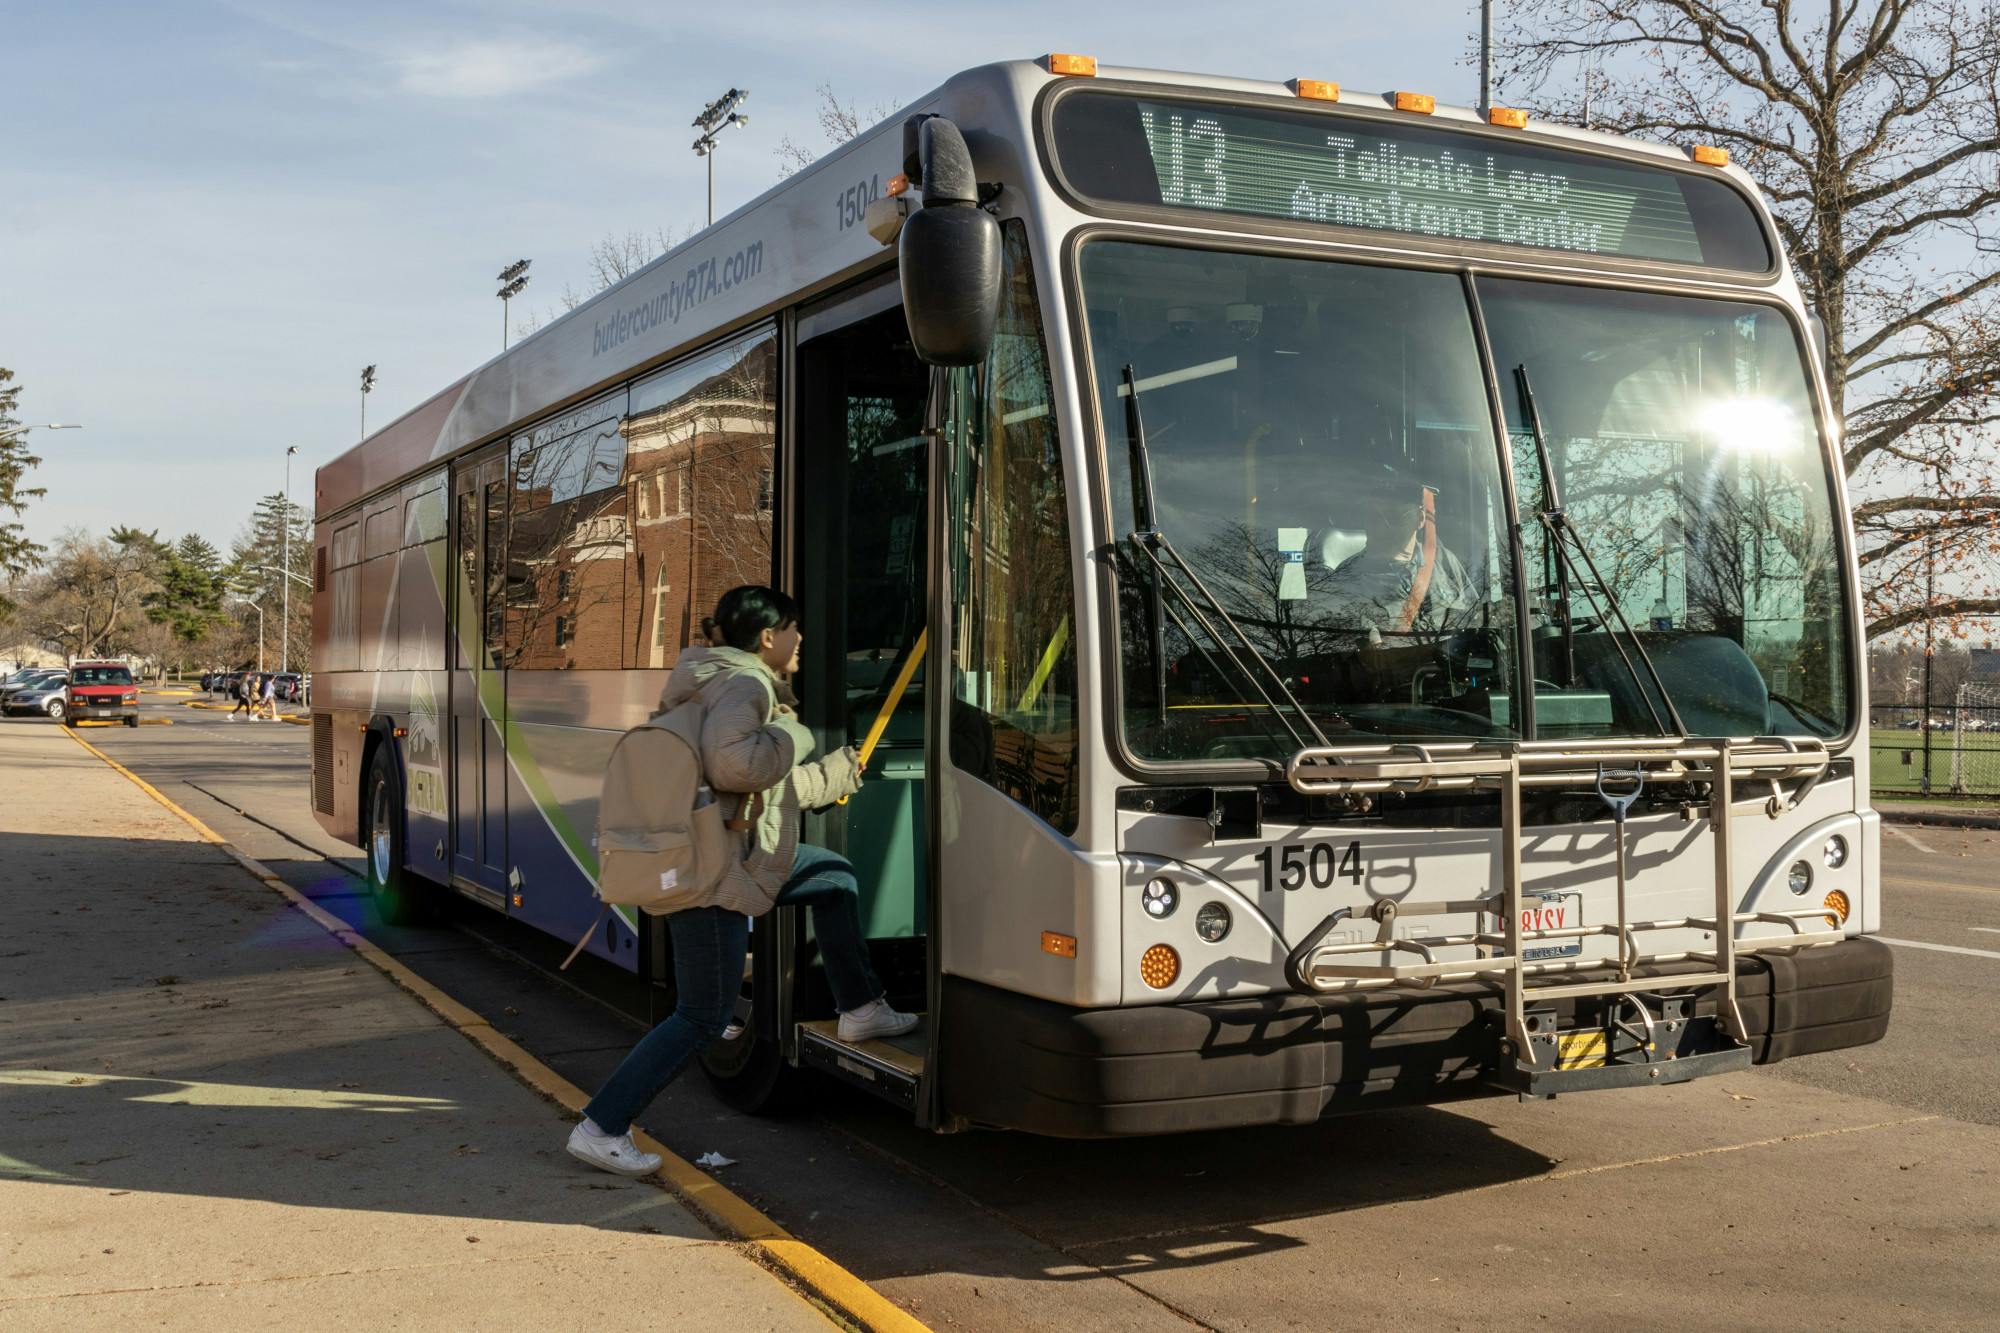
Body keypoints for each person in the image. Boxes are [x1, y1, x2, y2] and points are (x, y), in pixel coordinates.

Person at [566, 585, 920, 1178]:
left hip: (738, 856)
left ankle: (859, 1006)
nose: (799, 639)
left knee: (833, 877)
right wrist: (801, 736)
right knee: (702, 1015)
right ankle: (602, 1125)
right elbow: (741, 766)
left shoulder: (709, 680)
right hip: (716, 873)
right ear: (767, 637)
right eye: (792, 629)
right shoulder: (746, 684)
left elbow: (755, 790)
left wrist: (833, 774)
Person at [1323, 479, 1480, 639]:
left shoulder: (1443, 560)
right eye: (1373, 516)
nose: (1381, 527)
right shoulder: (1345, 580)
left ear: (1420, 518)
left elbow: (1474, 616)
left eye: (1394, 517)